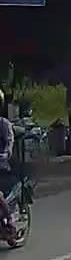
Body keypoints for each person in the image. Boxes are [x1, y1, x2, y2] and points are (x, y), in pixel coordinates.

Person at [0, 88, 16, 234]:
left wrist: (5, 153)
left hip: (2, 167)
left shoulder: (4, 124)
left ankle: (10, 218)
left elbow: (9, 142)